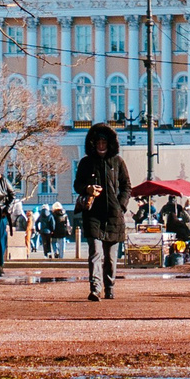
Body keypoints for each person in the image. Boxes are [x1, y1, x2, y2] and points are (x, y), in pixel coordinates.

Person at [73, 124, 130, 301]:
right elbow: (77, 185)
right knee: (95, 254)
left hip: (114, 215)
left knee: (111, 258)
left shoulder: (118, 162)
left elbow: (126, 186)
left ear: (109, 143)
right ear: (93, 143)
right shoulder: (85, 162)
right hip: (93, 215)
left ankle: (110, 286)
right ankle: (95, 288)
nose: (101, 145)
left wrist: (121, 206)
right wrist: (88, 188)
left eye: (104, 141)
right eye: (98, 141)